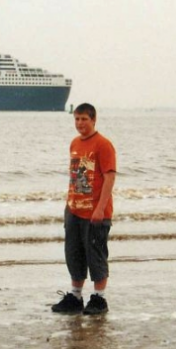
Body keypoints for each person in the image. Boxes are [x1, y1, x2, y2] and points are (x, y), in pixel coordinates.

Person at [52, 103, 117, 315]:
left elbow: (109, 177)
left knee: (96, 255)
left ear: (93, 120)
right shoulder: (74, 143)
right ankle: (75, 296)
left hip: (95, 211)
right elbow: (77, 176)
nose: (80, 123)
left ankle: (99, 298)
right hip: (74, 209)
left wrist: (100, 208)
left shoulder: (103, 144)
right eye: (77, 119)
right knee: (74, 254)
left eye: (84, 119)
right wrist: (69, 204)